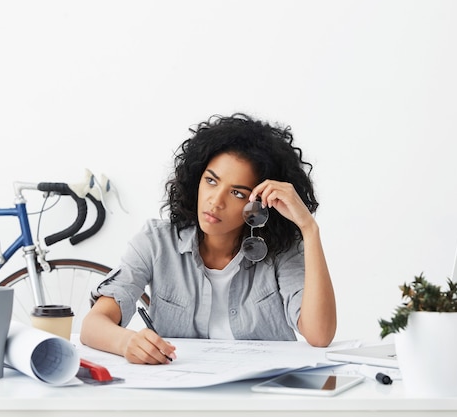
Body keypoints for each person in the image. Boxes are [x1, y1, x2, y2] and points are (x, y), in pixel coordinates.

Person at [80, 113, 336, 364]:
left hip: (262, 394)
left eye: (237, 192)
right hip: (182, 392)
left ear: (260, 204)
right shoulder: (156, 242)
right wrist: (127, 342)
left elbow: (319, 334)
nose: (216, 201)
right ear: (196, 180)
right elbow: (93, 325)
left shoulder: (280, 250)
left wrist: (308, 228)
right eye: (211, 181)